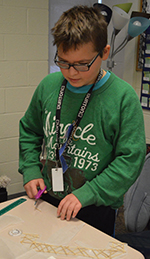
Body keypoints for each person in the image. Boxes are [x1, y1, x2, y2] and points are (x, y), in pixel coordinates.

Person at [19, 5, 146, 236]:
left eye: (82, 64)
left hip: (95, 204)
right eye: (64, 62)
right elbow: (30, 130)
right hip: (48, 195)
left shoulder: (122, 98)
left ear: (105, 52)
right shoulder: (48, 86)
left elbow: (130, 159)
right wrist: (31, 169)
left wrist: (87, 193)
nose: (72, 73)